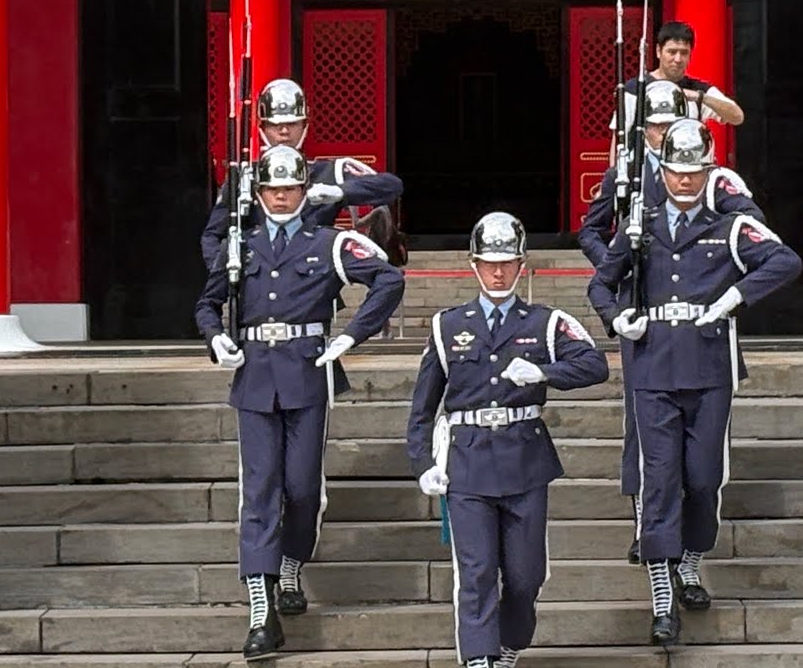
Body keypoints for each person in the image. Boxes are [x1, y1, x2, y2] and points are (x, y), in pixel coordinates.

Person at [587, 120, 801, 646]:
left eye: (695, 172)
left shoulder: (729, 224)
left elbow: (785, 260)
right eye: (677, 171)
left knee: (704, 477)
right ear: (666, 170)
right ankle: (662, 596)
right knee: (659, 480)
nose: (685, 181)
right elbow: (600, 282)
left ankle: (691, 560)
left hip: (707, 367)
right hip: (654, 364)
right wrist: (616, 318)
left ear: (709, 171)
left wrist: (737, 297)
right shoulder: (641, 225)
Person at [194, 145, 405, 661]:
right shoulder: (241, 246)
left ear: (303, 191)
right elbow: (208, 301)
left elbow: (388, 279)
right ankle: (262, 613)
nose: (282, 196)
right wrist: (216, 337)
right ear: (260, 195)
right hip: (254, 377)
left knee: (303, 488)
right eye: (273, 189)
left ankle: (292, 562)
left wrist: (352, 336)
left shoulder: (329, 242)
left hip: (308, 374)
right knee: (261, 491)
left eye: (290, 188)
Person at [406, 212, 609, 668]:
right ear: (473, 265)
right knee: (475, 573)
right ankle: (479, 658)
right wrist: (423, 464)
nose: (498, 272)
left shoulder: (546, 322)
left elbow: (596, 365)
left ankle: (510, 643)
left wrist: (545, 372)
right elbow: (422, 407)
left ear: (523, 264)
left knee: (524, 576)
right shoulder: (446, 325)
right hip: (468, 460)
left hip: (523, 458)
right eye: (488, 263)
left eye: (507, 263)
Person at [581, 85, 761, 564]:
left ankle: (686, 546)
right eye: (656, 127)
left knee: (699, 457)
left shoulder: (716, 180)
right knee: (644, 436)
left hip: (699, 321)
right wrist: (623, 264)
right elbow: (591, 229)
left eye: (670, 124)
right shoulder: (627, 173)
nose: (663, 135)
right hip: (643, 311)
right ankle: (649, 529)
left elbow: (749, 224)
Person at [200, 78, 404, 271]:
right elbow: (212, 236)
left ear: (305, 124)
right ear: (262, 127)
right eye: (275, 125)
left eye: (292, 124)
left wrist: (338, 191)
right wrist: (224, 275)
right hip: (259, 286)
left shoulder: (329, 172)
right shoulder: (245, 177)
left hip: (315, 286)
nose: (284, 132)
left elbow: (391, 186)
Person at [609, 21, 745, 161]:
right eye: (672, 52)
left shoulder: (697, 89)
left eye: (684, 53)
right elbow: (619, 137)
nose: (678, 59)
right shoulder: (635, 89)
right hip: (645, 174)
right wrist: (613, 178)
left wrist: (701, 97)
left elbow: (737, 116)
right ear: (658, 51)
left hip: (686, 173)